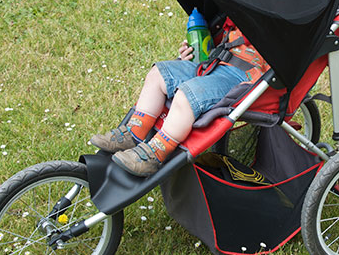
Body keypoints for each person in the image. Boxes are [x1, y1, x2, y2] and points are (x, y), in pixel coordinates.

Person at [90, 19, 269, 177]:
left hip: (243, 78)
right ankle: (133, 132)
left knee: (187, 94)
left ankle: (154, 154)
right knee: (158, 74)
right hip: (215, 61)